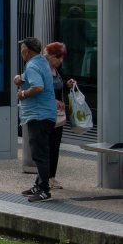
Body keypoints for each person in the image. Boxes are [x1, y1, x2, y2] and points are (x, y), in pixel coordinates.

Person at [13, 37, 57, 202]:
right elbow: (31, 76)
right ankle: (38, 185)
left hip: (38, 115)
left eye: (23, 49)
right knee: (41, 151)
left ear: (28, 51)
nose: (21, 51)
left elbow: (38, 86)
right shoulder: (41, 62)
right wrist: (20, 77)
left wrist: (22, 94)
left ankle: (44, 190)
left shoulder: (32, 65)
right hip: (46, 114)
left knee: (39, 153)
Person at [43, 41, 77, 191]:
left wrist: (68, 85)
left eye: (62, 57)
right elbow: (40, 91)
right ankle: (44, 178)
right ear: (50, 56)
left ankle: (52, 178)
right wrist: (53, 100)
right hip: (47, 114)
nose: (61, 61)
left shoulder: (56, 71)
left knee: (55, 146)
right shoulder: (43, 70)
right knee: (46, 146)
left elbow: (58, 88)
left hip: (59, 115)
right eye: (59, 57)